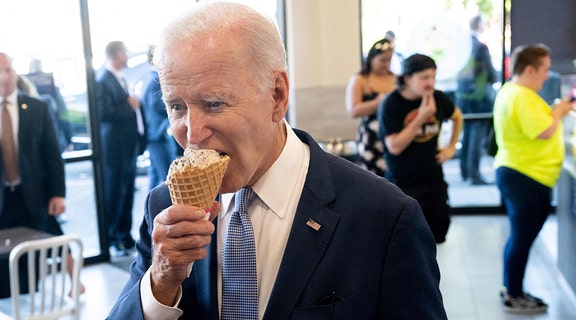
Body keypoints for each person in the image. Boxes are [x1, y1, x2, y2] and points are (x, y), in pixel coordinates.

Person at [107, 2, 447, 319]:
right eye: (177, 106)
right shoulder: (164, 207)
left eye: (213, 103)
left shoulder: (384, 217)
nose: (192, 134)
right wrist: (161, 282)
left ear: (277, 95)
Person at [0, 52, 72, 298]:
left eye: (8, 70)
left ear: (14, 72)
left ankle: (30, 311)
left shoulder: (37, 108)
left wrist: (57, 194)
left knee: (31, 264)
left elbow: (52, 155)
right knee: (0, 269)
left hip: (31, 198)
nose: (4, 77)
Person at [494, 43, 575, 313]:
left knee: (520, 237)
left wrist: (554, 112)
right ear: (529, 69)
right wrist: (560, 112)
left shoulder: (514, 92)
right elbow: (543, 130)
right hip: (525, 175)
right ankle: (513, 294)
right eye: (544, 70)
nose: (546, 76)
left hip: (522, 174)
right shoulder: (521, 95)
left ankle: (513, 289)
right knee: (522, 237)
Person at [378, 53, 463, 244]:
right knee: (407, 241)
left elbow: (458, 117)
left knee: (438, 235)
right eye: (424, 77)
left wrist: (450, 148)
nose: (430, 83)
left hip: (433, 179)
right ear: (407, 78)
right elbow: (395, 147)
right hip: (403, 183)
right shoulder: (391, 104)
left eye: (433, 76)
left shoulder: (438, 98)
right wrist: (421, 117)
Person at [96, 41, 145, 257]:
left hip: (128, 146)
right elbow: (103, 114)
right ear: (116, 54)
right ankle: (114, 236)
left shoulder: (120, 77)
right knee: (115, 192)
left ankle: (125, 235)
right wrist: (129, 106)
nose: (127, 56)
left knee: (126, 192)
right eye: (125, 52)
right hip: (115, 149)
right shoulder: (103, 80)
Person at [456, 15, 498, 185]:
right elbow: (491, 74)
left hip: (463, 98)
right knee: (476, 136)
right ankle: (474, 174)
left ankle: (465, 172)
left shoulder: (462, 46)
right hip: (479, 99)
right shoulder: (480, 47)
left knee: (466, 135)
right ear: (479, 25)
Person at [345, 38, 396, 176]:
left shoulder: (395, 78)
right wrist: (378, 102)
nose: (386, 64)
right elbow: (353, 110)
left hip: (393, 132)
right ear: (372, 58)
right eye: (383, 60)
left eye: (389, 60)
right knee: (374, 177)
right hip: (372, 136)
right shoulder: (360, 79)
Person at [141, 45, 182, 189]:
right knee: (169, 175)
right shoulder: (155, 79)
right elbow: (156, 104)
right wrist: (177, 106)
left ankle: (152, 209)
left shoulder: (147, 77)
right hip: (158, 134)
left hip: (154, 133)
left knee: (154, 174)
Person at [25, 59, 74, 152]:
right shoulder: (52, 90)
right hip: (54, 137)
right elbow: (63, 114)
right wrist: (68, 139)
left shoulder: (24, 92)